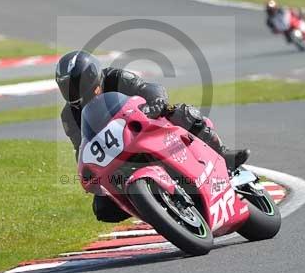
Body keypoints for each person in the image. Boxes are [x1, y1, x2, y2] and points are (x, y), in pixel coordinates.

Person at [55, 50, 250, 223]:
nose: (74, 91)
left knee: (182, 113)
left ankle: (224, 156)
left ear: (92, 75)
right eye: (67, 87)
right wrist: (89, 172)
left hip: (145, 126)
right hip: (116, 155)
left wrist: (155, 103)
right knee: (103, 208)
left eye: (77, 84)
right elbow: (80, 146)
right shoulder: (69, 115)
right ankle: (154, 207)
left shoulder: (114, 77)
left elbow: (146, 87)